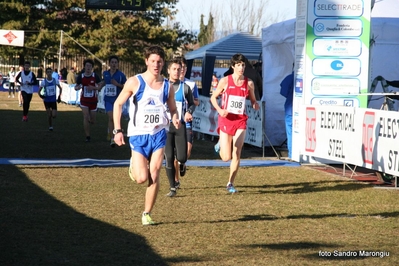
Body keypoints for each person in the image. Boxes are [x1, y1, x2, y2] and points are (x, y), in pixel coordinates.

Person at [113, 45, 180, 225]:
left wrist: (175, 118)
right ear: (146, 61)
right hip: (138, 134)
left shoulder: (167, 86)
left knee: (155, 172)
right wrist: (118, 130)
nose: (156, 65)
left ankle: (147, 213)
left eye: (159, 61)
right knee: (141, 178)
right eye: (152, 61)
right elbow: (118, 104)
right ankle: (134, 165)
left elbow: (173, 108)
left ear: (163, 62)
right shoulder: (135, 82)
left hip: (159, 134)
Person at [210, 53, 260, 193]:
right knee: (226, 157)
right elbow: (213, 98)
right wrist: (220, 110)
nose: (241, 67)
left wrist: (255, 104)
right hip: (226, 119)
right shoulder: (225, 81)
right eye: (238, 65)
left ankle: (230, 183)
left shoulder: (249, 83)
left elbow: (253, 100)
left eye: (243, 65)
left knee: (237, 151)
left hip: (240, 120)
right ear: (233, 66)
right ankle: (220, 143)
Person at [164, 58, 196, 197]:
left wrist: (189, 111)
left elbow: (192, 103)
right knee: (169, 157)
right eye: (174, 69)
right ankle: (172, 187)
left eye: (179, 69)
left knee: (182, 157)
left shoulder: (185, 87)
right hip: (165, 127)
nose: (177, 71)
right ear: (168, 70)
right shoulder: (162, 86)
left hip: (179, 126)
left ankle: (183, 164)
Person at [173, 57, 200, 188]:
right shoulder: (169, 84)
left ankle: (183, 163)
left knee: (187, 150)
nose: (181, 69)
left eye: (183, 67)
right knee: (174, 154)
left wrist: (189, 104)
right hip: (173, 123)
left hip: (187, 122)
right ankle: (176, 180)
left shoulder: (191, 84)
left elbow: (197, 101)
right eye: (179, 67)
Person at [74, 59, 103, 142]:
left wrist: (94, 88)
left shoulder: (95, 76)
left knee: (93, 121)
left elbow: (100, 87)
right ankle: (88, 136)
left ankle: (91, 120)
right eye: (87, 66)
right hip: (84, 100)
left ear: (92, 67)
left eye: (90, 66)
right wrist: (77, 88)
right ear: (84, 67)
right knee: (86, 117)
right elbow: (76, 87)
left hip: (93, 101)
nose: (88, 67)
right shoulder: (81, 76)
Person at [102, 55, 127, 147]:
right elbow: (104, 82)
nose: (113, 64)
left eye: (115, 62)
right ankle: (112, 138)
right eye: (112, 62)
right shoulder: (105, 73)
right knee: (111, 117)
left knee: (116, 119)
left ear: (118, 64)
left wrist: (117, 84)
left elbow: (126, 87)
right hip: (108, 99)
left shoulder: (121, 75)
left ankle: (114, 133)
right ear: (109, 64)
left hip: (118, 100)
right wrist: (98, 87)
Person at [280, 71, 294, 159]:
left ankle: (292, 154)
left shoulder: (289, 78)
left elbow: (283, 92)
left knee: (291, 133)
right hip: (306, 111)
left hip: (290, 110)